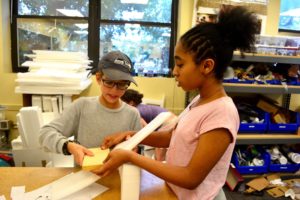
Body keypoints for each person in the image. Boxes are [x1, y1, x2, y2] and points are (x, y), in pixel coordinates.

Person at [93, 6, 258, 200]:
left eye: (180, 64)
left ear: (206, 66)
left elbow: (191, 178)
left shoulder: (221, 113)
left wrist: (131, 156)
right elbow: (173, 137)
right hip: (175, 192)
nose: (174, 71)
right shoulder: (199, 101)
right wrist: (131, 137)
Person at [39, 51, 142, 166]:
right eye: (109, 82)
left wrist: (135, 151)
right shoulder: (81, 107)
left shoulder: (133, 114)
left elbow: (139, 150)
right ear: (98, 78)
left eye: (122, 84)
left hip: (119, 178)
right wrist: (68, 146)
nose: (114, 90)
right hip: (85, 176)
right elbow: (45, 133)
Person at [121, 89, 178, 161]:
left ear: (131, 103)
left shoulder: (136, 111)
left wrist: (134, 144)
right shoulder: (141, 107)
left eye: (122, 102)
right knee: (160, 151)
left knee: (159, 153)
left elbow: (146, 130)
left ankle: (158, 169)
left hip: (168, 122)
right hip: (172, 119)